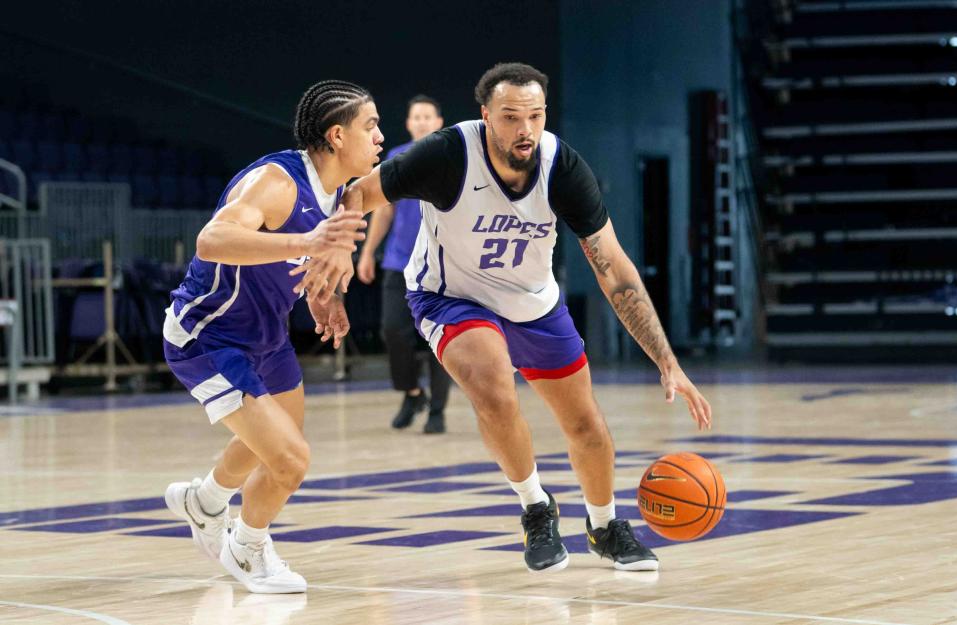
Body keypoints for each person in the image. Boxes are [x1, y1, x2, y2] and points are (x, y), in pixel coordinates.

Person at [294, 63, 712, 574]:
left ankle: (604, 526)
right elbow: (359, 191)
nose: (525, 129)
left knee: (585, 422)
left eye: (535, 116)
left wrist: (666, 361)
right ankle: (536, 507)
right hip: (450, 296)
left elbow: (614, 269)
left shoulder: (563, 167)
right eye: (512, 117)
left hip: (533, 301)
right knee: (493, 385)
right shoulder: (447, 153)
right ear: (486, 115)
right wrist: (330, 269)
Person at [162, 80, 380, 593]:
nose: (379, 136)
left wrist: (325, 296)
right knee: (290, 459)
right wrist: (307, 240)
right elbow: (211, 240)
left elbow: (300, 263)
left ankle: (206, 501)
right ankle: (247, 547)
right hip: (208, 336)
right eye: (370, 126)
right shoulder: (276, 182)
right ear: (336, 135)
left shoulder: (341, 196)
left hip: (267, 337)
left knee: (275, 446)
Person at [357, 95, 452, 434]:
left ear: (439, 122)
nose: (423, 121)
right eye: (417, 117)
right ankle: (413, 392)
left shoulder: (453, 159)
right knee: (392, 329)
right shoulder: (395, 159)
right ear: (409, 123)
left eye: (429, 116)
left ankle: (437, 410)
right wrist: (368, 252)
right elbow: (383, 211)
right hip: (400, 262)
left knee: (440, 340)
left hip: (445, 267)